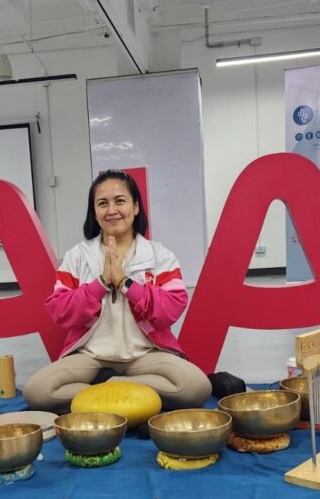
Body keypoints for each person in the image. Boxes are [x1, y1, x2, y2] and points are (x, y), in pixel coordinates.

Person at [22, 170, 214, 413]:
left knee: (196, 387)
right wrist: (100, 283)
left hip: (145, 355)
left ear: (135, 207)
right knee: (37, 391)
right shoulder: (78, 256)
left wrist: (126, 283)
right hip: (91, 357)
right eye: (102, 203)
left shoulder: (158, 255)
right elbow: (60, 310)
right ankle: (134, 401)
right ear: (94, 212)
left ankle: (108, 387)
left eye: (120, 201)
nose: (111, 210)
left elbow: (170, 310)